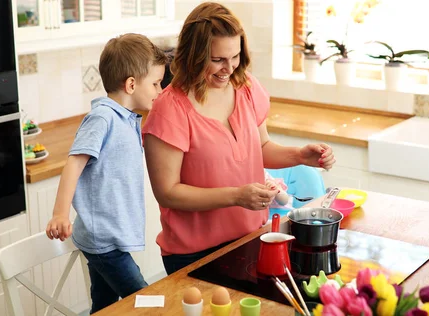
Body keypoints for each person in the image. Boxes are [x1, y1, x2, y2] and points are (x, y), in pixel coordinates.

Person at [142, 2, 336, 275]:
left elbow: (262, 147)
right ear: (193, 56)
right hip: (193, 254)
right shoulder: (169, 109)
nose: (229, 68)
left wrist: (300, 156)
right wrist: (235, 196)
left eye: (234, 57)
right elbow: (168, 192)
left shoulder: (246, 88)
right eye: (217, 59)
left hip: (249, 238)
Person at [45, 34, 167, 313]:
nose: (160, 90)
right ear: (132, 84)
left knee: (103, 306)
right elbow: (74, 163)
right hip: (104, 241)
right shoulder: (103, 118)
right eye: (156, 83)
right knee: (146, 301)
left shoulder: (125, 118)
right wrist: (60, 214)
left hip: (106, 237)